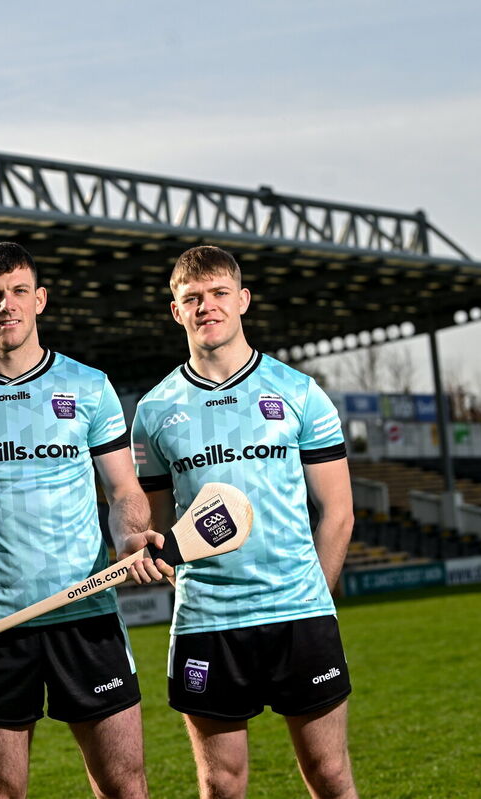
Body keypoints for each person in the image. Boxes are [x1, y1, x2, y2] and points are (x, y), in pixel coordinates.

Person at [0, 241, 167, 799]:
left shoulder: (89, 385)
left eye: (19, 291)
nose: (7, 305)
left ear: (40, 299)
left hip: (87, 614)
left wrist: (128, 536)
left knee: (124, 785)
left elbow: (124, 489)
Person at [131, 245, 357, 799]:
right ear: (176, 311)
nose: (206, 306)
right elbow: (158, 530)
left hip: (299, 614)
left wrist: (315, 597)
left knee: (330, 775)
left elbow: (338, 512)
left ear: (243, 300)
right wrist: (146, 554)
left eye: (219, 294)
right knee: (221, 784)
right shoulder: (154, 411)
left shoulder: (299, 392)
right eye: (193, 298)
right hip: (207, 621)